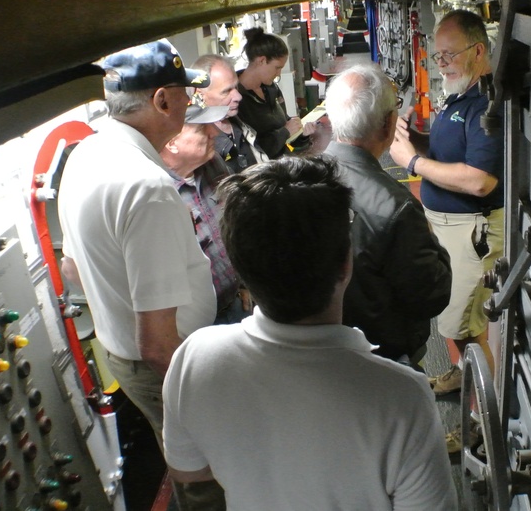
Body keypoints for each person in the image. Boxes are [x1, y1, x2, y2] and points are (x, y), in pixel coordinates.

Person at [162, 157, 458, 511]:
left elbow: (189, 471)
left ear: (239, 264)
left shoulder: (193, 359)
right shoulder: (402, 397)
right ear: (346, 264)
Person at [57, 40, 224, 509]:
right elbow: (157, 343)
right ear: (162, 100)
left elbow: (72, 267)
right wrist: (210, 399)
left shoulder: (86, 155)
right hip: (163, 365)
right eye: (184, 94)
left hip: (124, 356)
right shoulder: (147, 188)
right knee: (208, 478)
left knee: (181, 459)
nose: (190, 104)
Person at [389, 9, 504, 398]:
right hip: (450, 228)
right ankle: (461, 375)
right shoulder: (461, 95)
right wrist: (417, 141)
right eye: (437, 56)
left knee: (465, 328)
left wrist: (412, 162)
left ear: (478, 50)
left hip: (471, 231)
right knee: (455, 320)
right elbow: (450, 152)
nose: (442, 65)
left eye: (449, 55)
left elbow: (480, 181)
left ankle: (483, 426)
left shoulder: (486, 105)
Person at [323, 65, 452, 365]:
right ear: (387, 125)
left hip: (319, 353)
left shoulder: (301, 178)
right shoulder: (397, 208)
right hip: (383, 358)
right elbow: (432, 294)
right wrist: (435, 244)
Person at [160, 98, 253, 324]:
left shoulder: (213, 163)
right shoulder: (159, 192)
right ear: (172, 142)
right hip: (199, 323)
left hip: (237, 302)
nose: (214, 132)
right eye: (202, 128)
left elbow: (236, 223)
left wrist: (245, 282)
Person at [236, 27, 315, 159]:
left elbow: (284, 125)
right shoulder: (237, 100)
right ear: (261, 61)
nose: (278, 74)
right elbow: (252, 150)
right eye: (277, 68)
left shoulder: (271, 89)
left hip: (284, 160)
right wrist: (285, 132)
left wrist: (302, 134)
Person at [192, 54, 257, 173]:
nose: (238, 96)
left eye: (236, 87)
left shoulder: (243, 120)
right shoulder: (198, 146)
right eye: (226, 91)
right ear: (200, 94)